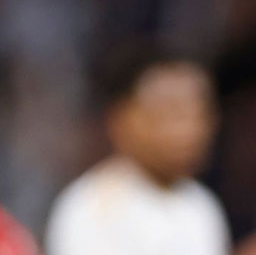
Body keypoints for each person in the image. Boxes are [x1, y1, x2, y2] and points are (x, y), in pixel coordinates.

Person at [45, 56, 229, 255]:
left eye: (198, 114)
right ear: (121, 119)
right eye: (170, 113)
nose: (189, 130)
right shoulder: (93, 208)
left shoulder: (201, 204)